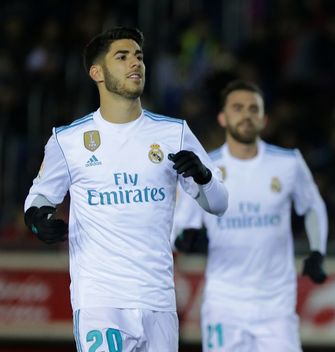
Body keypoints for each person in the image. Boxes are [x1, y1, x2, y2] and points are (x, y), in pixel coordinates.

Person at [23, 27, 228, 352]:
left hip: (158, 300)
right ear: (97, 72)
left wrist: (203, 177)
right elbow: (39, 197)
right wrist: (38, 218)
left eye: (139, 56)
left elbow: (218, 204)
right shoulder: (69, 140)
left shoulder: (174, 133)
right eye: (122, 57)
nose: (135, 63)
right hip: (100, 300)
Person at [172, 79, 328, 352]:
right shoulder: (205, 167)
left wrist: (317, 252)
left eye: (253, 109)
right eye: (237, 108)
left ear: (264, 119)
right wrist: (186, 237)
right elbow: (180, 226)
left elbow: (313, 206)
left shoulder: (288, 162)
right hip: (224, 303)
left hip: (276, 304)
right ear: (222, 117)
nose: (246, 114)